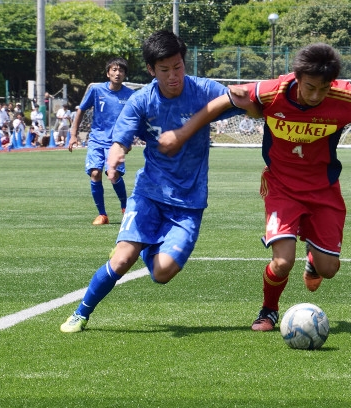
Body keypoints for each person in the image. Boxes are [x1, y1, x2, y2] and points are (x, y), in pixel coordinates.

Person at [155, 43, 351, 332]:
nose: (316, 95)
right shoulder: (271, 90)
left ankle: (315, 263)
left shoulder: (345, 96)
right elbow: (223, 102)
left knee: (329, 269)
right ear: (297, 76)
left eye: (323, 89)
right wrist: (182, 134)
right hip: (281, 187)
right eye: (310, 87)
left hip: (323, 190)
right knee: (281, 261)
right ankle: (268, 309)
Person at [59, 30, 251, 333]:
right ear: (151, 70)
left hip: (189, 202)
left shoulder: (204, 90)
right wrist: (115, 156)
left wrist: (252, 98)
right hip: (149, 193)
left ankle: (148, 247)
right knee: (122, 259)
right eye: (165, 70)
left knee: (161, 273)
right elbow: (120, 140)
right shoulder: (140, 101)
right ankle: (81, 313)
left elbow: (247, 103)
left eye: (178, 67)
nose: (173, 75)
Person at [69, 58, 136, 225]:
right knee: (95, 173)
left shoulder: (130, 95)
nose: (117, 73)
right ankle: (102, 215)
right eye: (114, 70)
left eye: (121, 71)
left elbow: (135, 119)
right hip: (97, 140)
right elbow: (81, 110)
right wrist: (73, 134)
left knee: (113, 175)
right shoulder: (96, 90)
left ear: (124, 74)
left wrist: (129, 140)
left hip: (117, 142)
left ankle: (124, 207)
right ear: (108, 73)